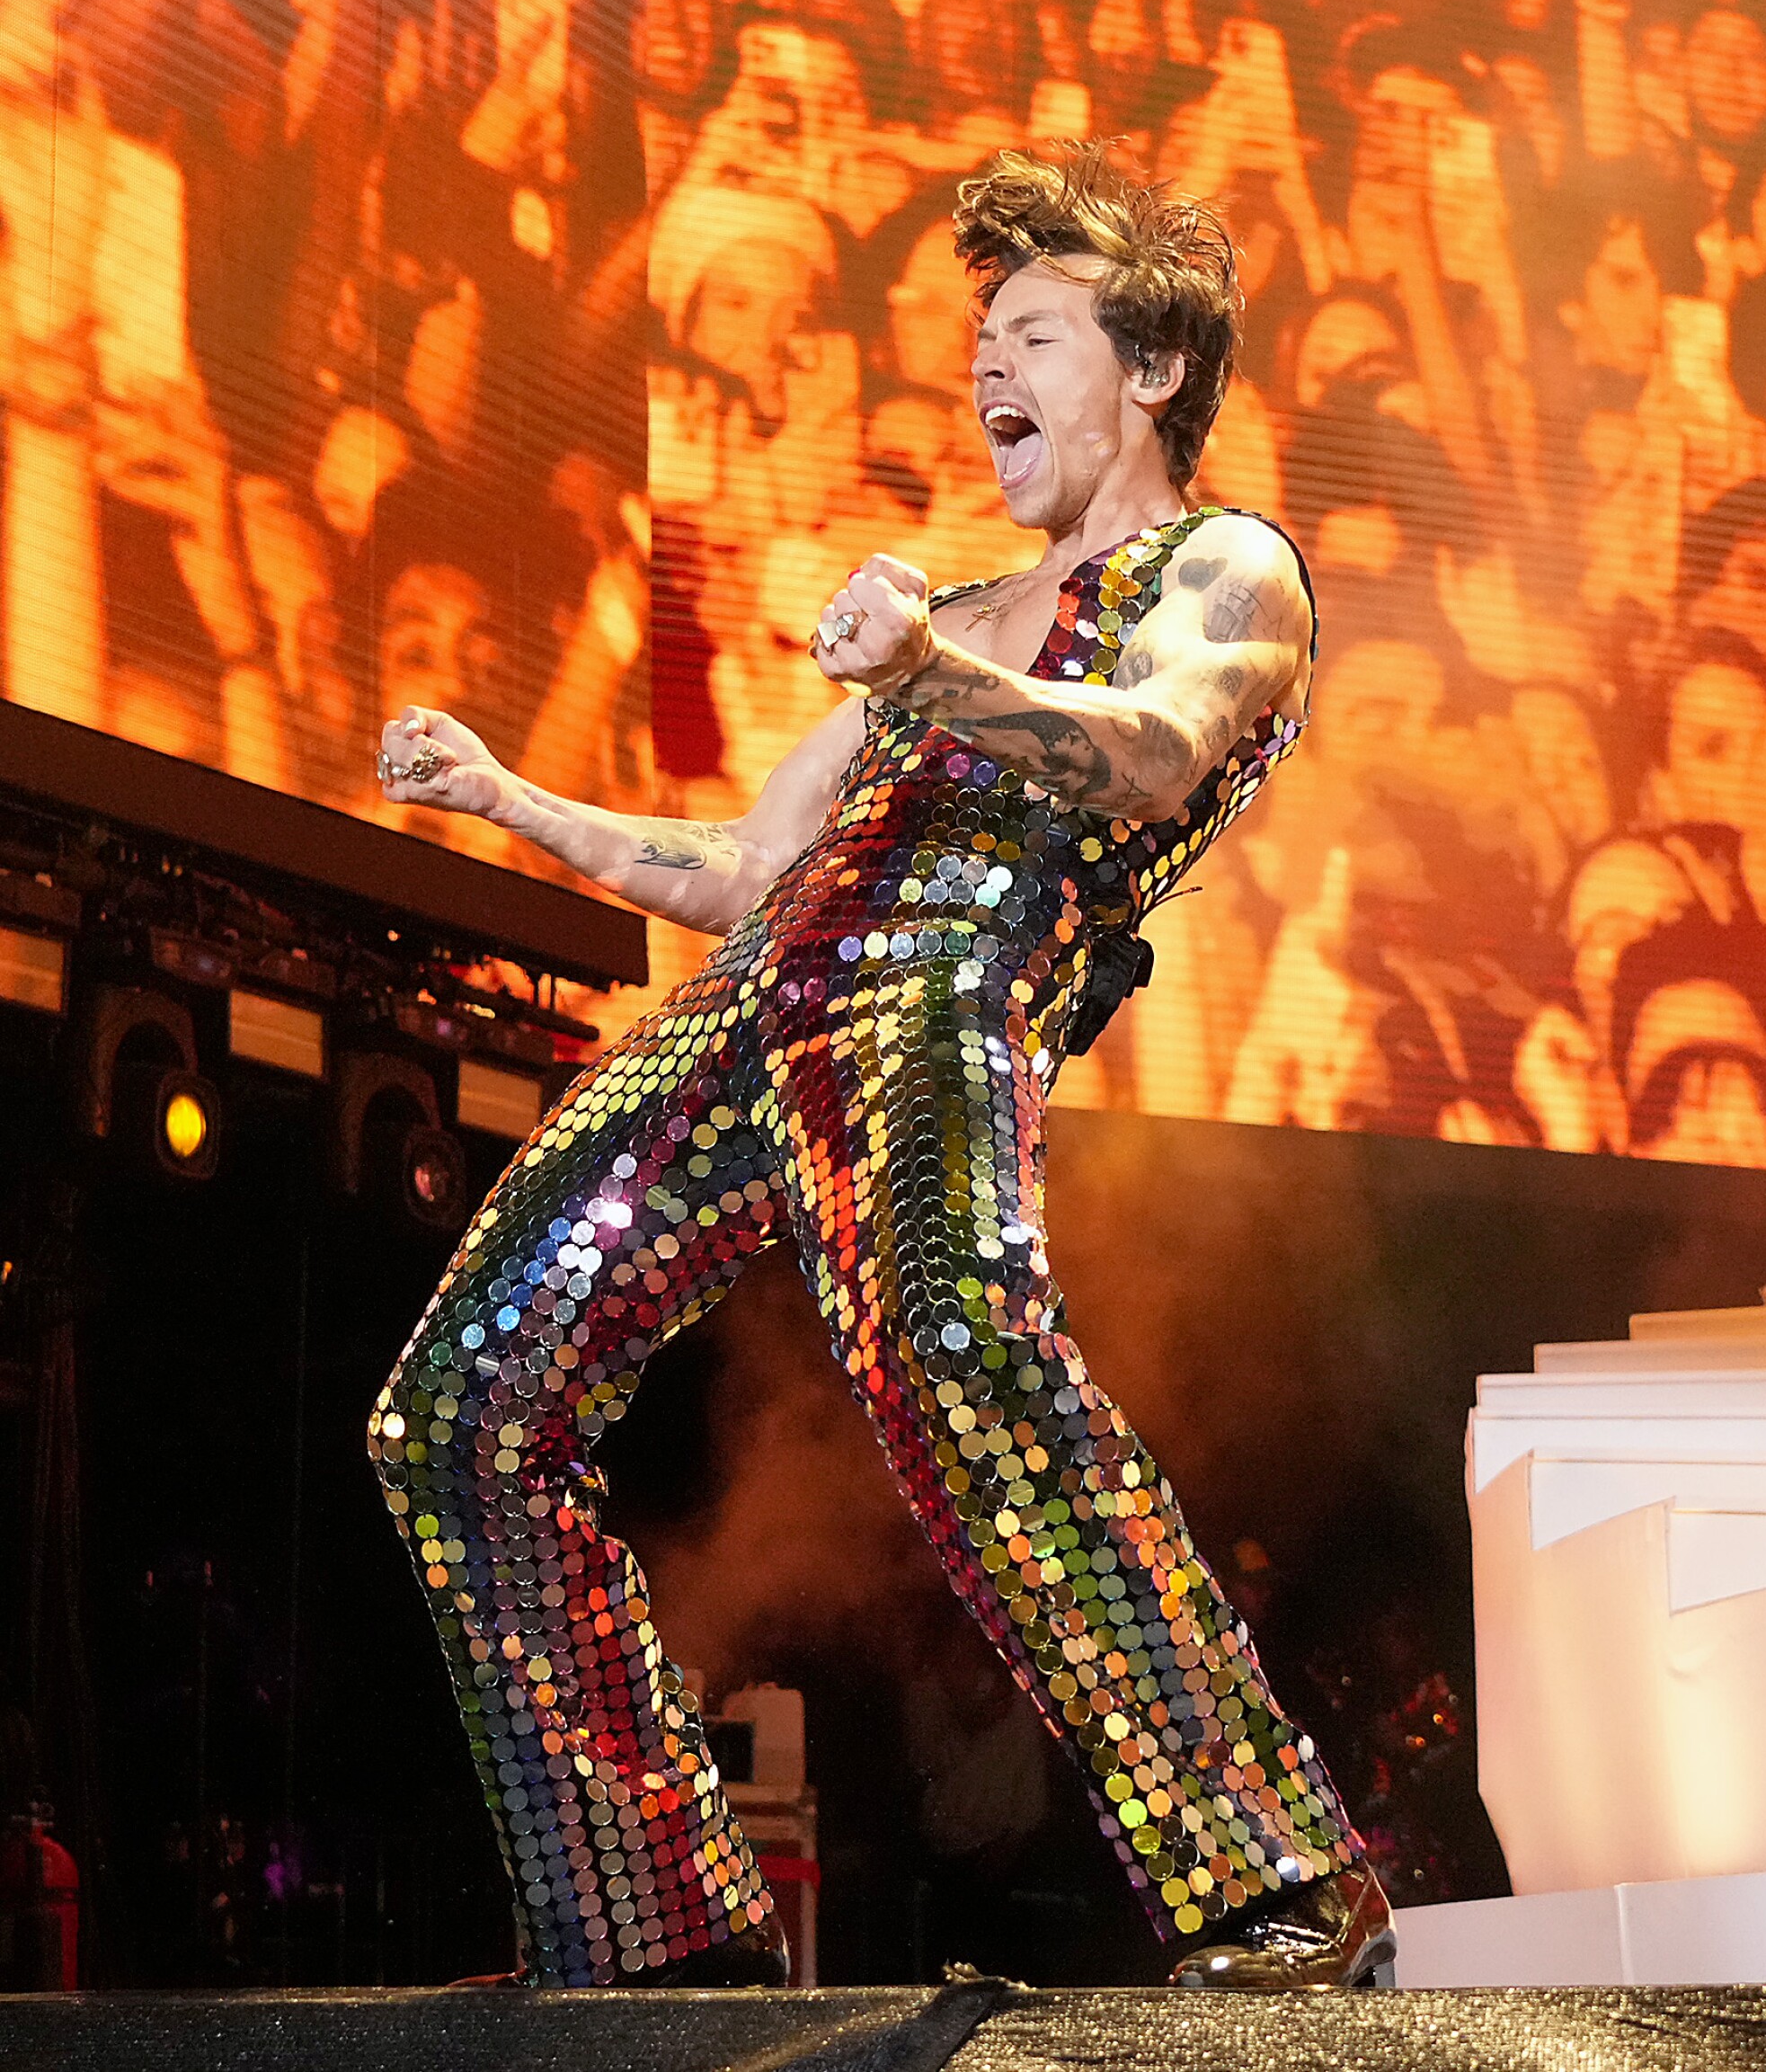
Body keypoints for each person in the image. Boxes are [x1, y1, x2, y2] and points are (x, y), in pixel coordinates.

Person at [368, 145, 1389, 1990]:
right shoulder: (953, 616)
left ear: (1150, 368)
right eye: (976, 337)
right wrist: (506, 795)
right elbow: (742, 874)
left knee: (954, 1361)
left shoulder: (1219, 565)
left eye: (1031, 331)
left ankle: (1278, 1882)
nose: (983, 366)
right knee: (456, 1411)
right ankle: (653, 1923)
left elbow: (1156, 750)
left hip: (937, 1000)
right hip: (756, 1008)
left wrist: (933, 672)